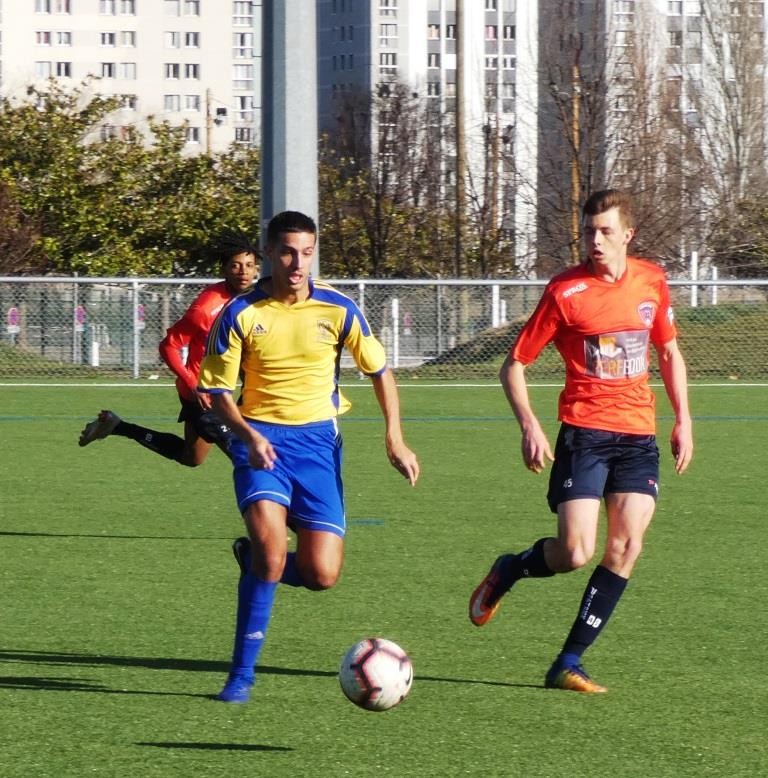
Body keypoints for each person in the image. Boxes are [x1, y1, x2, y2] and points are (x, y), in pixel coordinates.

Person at [468, 189, 693, 693]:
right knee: (574, 552)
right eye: (589, 231)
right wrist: (529, 425)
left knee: (626, 545)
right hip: (585, 434)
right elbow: (514, 365)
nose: (595, 240)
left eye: (606, 231)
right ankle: (511, 568)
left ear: (627, 235)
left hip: (638, 436)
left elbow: (669, 352)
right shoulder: (565, 291)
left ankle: (568, 661)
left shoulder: (652, 282)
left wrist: (683, 419)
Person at [197, 210, 420, 704]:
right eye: (287, 252)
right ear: (269, 253)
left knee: (322, 574)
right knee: (273, 553)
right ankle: (240, 676)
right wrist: (246, 435)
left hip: (319, 445)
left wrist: (395, 438)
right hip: (260, 443)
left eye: (306, 253)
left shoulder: (339, 309)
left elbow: (380, 372)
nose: (297, 264)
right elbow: (216, 392)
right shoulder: (239, 313)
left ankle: (252, 560)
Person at [78, 230, 258, 466]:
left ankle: (117, 425)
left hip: (225, 390)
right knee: (248, 458)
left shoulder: (254, 301)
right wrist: (193, 386)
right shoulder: (207, 308)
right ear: (224, 269)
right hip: (203, 394)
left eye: (249, 265)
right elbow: (169, 346)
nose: (243, 271)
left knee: (191, 457)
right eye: (235, 265)